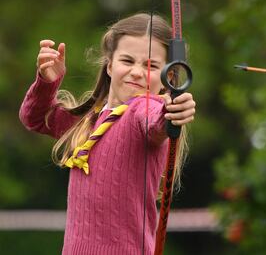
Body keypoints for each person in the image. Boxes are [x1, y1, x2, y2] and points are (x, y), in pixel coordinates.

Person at [19, 13, 196, 255]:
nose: (136, 72)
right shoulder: (87, 121)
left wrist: (172, 112)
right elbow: (35, 118)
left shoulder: (143, 110)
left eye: (151, 65)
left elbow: (156, 122)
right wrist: (47, 82)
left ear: (169, 78)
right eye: (127, 60)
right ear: (110, 65)